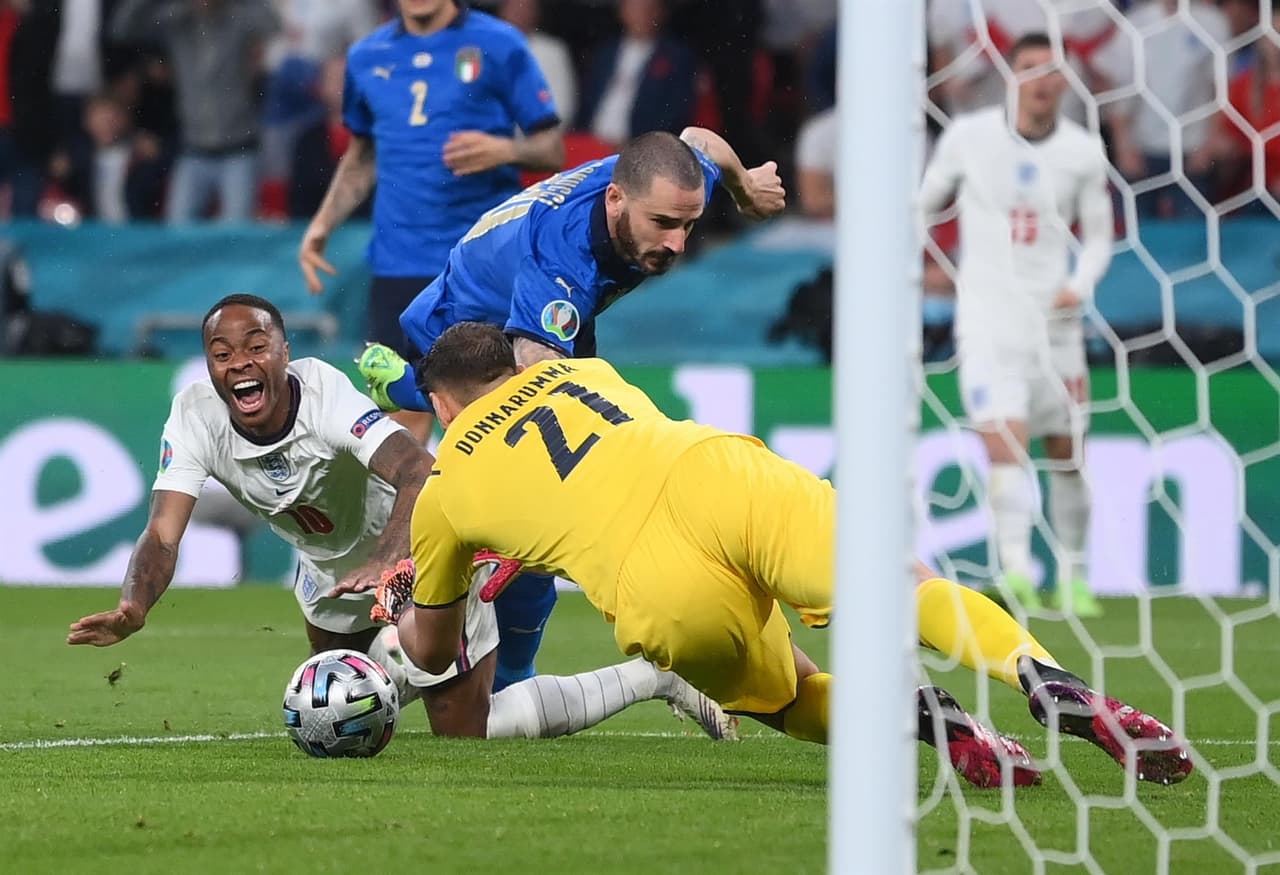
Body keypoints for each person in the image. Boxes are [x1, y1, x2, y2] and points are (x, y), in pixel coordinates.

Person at [372, 322, 1193, 787]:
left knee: (788, 694)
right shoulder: (586, 370)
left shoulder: (446, 490)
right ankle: (1041, 675)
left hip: (651, 579)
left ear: (440, 403)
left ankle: (925, 718)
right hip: (718, 472)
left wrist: (408, 609)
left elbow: (437, 654)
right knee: (903, 584)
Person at [65, 294, 736, 743]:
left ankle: (655, 676)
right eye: (222, 353)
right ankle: (395, 660)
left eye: (256, 345)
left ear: (284, 352)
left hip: (419, 548)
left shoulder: (323, 394)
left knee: (466, 732)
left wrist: (393, 556)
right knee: (339, 714)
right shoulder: (194, 416)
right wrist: (134, 605)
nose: (240, 361)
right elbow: (162, 533)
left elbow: (418, 468)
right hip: (327, 577)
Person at [355, 126, 784, 692]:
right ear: (616, 198)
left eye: (688, 224)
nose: (679, 243)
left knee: (542, 515)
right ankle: (412, 387)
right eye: (663, 224)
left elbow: (699, 140)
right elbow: (539, 384)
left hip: (541, 315)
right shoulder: (559, 262)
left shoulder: (666, 181)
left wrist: (745, 188)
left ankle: (511, 678)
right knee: (541, 501)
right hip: (466, 330)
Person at [298, 0, 565, 444]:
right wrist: (322, 225)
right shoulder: (366, 56)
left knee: (495, 404)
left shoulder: (499, 43)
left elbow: (552, 147)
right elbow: (363, 155)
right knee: (402, 412)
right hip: (399, 262)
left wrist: (506, 150)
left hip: (480, 265)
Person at [919, 33, 1114, 617]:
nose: (1040, 80)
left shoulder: (1083, 151)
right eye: (1029, 67)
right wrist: (929, 268)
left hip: (1056, 324)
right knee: (1004, 443)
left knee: (1067, 453)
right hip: (988, 320)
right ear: (1011, 75)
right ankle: (1016, 572)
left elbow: (1100, 237)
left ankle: (1075, 577)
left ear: (1066, 81)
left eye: (1052, 69)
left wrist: (1079, 286)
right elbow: (922, 206)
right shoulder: (968, 138)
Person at [112, 0, 281, 223]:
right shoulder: (176, 19)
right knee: (178, 231)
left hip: (239, 150)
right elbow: (123, 27)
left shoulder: (238, 18)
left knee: (237, 232)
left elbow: (272, 23)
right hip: (193, 151)